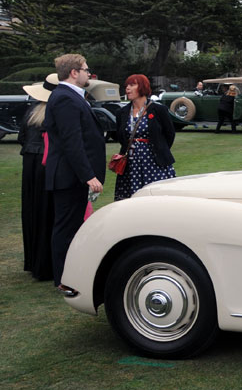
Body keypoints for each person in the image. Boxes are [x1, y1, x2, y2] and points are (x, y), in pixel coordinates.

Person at [44, 54, 105, 290]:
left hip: (72, 176)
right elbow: (72, 142)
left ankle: (68, 276)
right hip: (68, 177)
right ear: (73, 72)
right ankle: (63, 279)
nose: (88, 73)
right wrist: (88, 175)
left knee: (71, 226)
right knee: (66, 228)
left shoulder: (71, 97)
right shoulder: (64, 98)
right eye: (86, 70)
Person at [114, 74, 176, 200]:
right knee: (132, 198)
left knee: (157, 197)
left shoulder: (158, 109)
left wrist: (158, 148)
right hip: (131, 164)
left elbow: (169, 134)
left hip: (155, 162)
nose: (127, 89)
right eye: (126, 86)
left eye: (132, 85)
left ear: (142, 87)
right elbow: (120, 136)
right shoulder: (122, 112)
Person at [19, 74, 57, 281]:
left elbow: (21, 138)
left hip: (30, 163)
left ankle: (34, 261)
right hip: (46, 162)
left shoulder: (31, 112)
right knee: (47, 212)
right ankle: (46, 263)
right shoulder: (54, 113)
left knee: (32, 210)